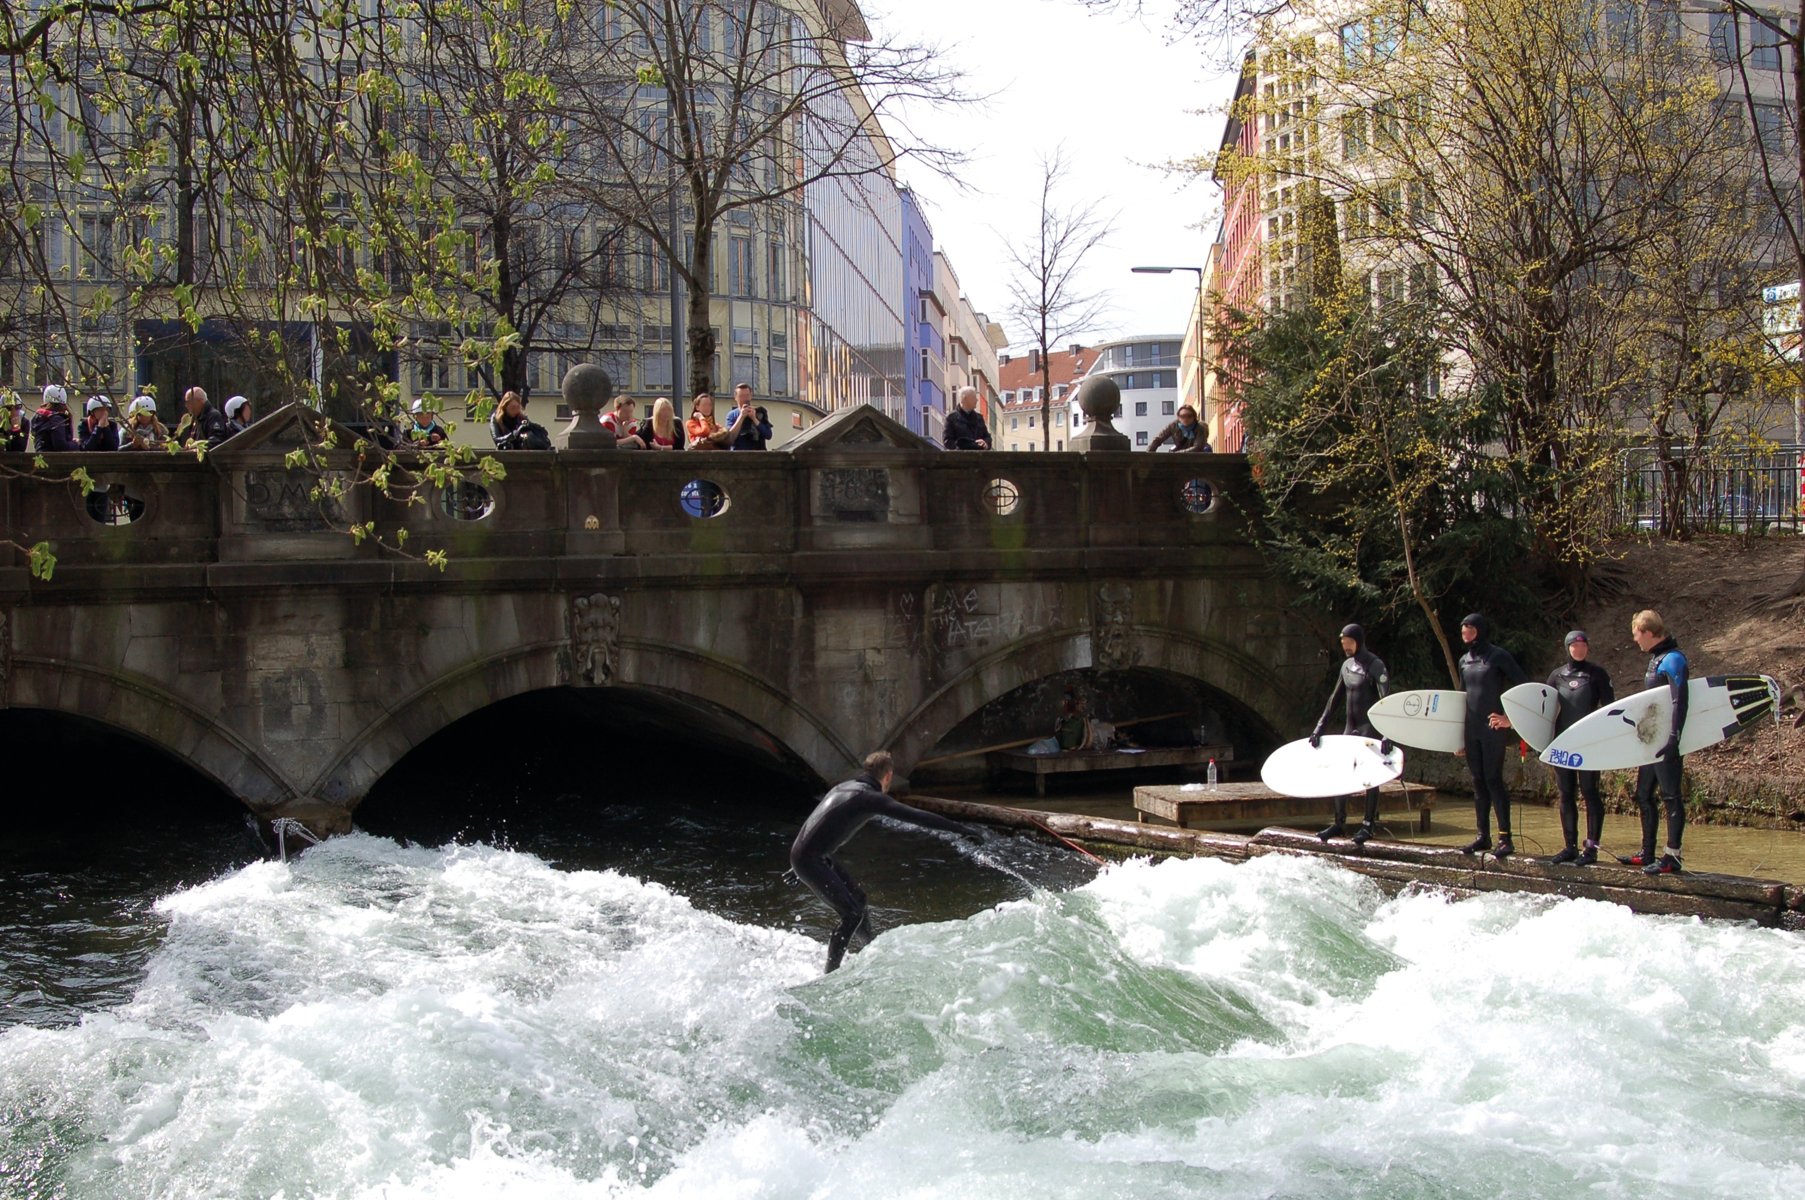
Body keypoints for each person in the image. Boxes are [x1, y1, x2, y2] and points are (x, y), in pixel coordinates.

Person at [788, 750, 980, 973]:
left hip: (810, 855)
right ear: (888, 776)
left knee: (859, 900)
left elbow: (820, 823)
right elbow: (918, 816)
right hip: (810, 858)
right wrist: (961, 829)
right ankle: (830, 974)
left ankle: (871, 952)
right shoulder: (869, 798)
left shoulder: (844, 787)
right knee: (851, 913)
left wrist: (796, 863)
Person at [1311, 623, 1391, 845]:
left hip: (1369, 729)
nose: (1345, 647)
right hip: (1350, 728)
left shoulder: (1376, 666)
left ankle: (1368, 825)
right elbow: (1334, 699)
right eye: (1343, 643)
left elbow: (1386, 702)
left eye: (1349, 643)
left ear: (1358, 641)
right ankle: (1339, 822)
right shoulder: (1346, 666)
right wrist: (1319, 727)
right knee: (1341, 773)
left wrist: (1387, 734)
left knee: (1371, 777)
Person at [1457, 612, 1526, 858]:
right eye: (1464, 630)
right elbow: (1461, 699)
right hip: (1471, 729)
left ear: (1481, 630)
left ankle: (1505, 839)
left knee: (1493, 779)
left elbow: (1523, 686)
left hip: (1492, 728)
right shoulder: (1464, 660)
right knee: (1477, 781)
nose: (1466, 634)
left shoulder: (1498, 656)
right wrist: (1456, 737)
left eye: (1471, 630)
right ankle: (1482, 837)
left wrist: (1509, 719)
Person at [1625, 610, 1688, 875]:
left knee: (1671, 796)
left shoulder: (1674, 659)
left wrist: (1674, 738)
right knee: (1643, 794)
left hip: (1667, 739)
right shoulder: (1656, 659)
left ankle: (1672, 856)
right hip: (1651, 740)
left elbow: (1679, 701)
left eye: (1637, 635)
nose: (1635, 640)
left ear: (1648, 632)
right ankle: (1647, 852)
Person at [1545, 630, 1613, 866]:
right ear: (1568, 647)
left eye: (1583, 645)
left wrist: (1606, 740)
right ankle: (1570, 847)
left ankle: (1591, 848)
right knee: (1566, 794)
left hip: (1588, 744)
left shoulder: (1597, 675)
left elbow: (1610, 710)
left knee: (1590, 792)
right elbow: (1543, 711)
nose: (1579, 649)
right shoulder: (1556, 676)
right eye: (1575, 645)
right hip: (1562, 743)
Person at [32, 384, 81, 452]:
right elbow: (61, 446)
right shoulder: (57, 419)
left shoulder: (38, 417)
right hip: (55, 460)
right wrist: (75, 444)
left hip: (41, 457)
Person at [943, 386, 992, 450]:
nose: (977, 400)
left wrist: (985, 443)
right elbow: (947, 441)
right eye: (974, 397)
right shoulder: (951, 418)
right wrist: (960, 448)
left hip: (979, 457)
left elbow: (987, 437)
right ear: (965, 398)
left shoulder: (979, 418)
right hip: (960, 458)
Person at [725, 383, 767, 450]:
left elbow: (768, 435)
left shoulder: (760, 412)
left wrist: (754, 419)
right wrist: (741, 417)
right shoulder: (732, 415)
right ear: (735, 398)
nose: (745, 399)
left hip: (758, 455)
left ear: (751, 396)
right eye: (741, 396)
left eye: (747, 395)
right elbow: (730, 439)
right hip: (738, 455)